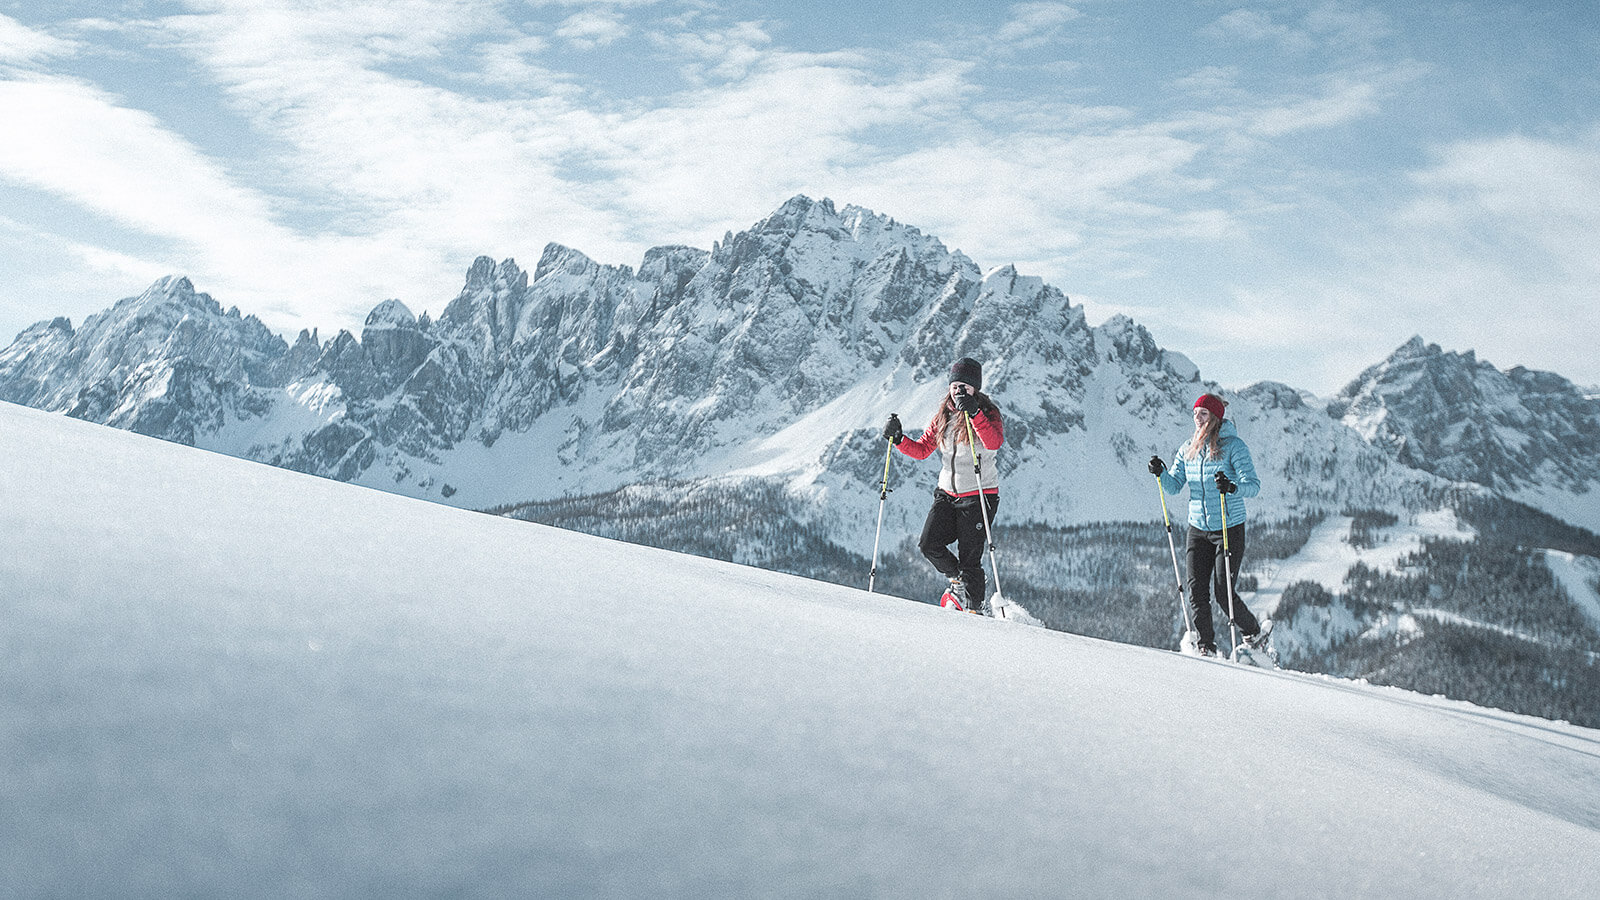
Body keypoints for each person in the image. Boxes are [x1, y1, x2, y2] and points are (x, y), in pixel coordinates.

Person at [1148, 393, 1271, 657]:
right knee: (1196, 590)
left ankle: (1254, 633)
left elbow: (1253, 486)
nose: (1198, 418)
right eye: (1195, 413)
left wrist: (1231, 487)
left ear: (1215, 417)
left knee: (1223, 592)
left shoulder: (1234, 447)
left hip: (1228, 527)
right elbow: (1174, 486)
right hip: (1197, 528)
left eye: (1203, 413)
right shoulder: (1188, 448)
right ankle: (1206, 646)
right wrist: (1161, 473)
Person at [881, 357, 1004, 615]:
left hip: (979, 495)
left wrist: (975, 414)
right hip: (947, 494)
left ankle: (975, 610)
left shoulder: (988, 412)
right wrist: (899, 439)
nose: (959, 391)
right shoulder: (944, 415)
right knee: (929, 544)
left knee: (970, 558)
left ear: (975, 389)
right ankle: (959, 582)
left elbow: (993, 443)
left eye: (965, 387)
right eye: (955, 385)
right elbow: (922, 449)